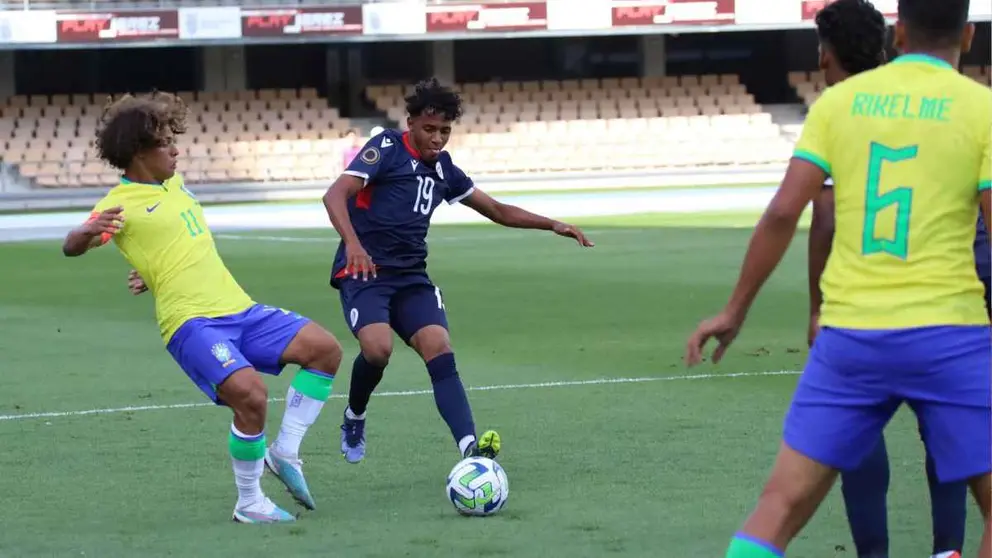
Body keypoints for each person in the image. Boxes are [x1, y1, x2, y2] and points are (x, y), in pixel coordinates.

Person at [685, 0, 992, 556]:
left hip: (851, 337)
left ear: (898, 32)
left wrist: (734, 310)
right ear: (968, 35)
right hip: (950, 333)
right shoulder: (982, 108)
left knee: (777, 509)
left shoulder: (838, 104)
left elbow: (784, 213)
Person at [62, 92, 343, 524]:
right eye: (165, 143)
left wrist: (150, 272)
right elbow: (72, 246)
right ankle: (249, 502)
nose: (176, 149)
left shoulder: (174, 184)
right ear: (138, 152)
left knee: (325, 350)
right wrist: (85, 233)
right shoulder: (119, 205)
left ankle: (285, 451)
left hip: (241, 311)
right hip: (192, 323)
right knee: (251, 396)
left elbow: (173, 245)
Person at [322, 78, 594, 464]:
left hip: (412, 278)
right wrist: (353, 243)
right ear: (411, 123)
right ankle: (355, 414)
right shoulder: (385, 148)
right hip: (365, 272)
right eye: (429, 129)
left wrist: (552, 224)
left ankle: (470, 448)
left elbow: (498, 211)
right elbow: (335, 194)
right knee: (378, 350)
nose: (437, 139)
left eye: (445, 131)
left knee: (439, 347)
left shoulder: (445, 170)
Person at [805, 1, 982, 556]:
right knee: (952, 427)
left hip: (877, 292)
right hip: (960, 276)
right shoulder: (954, 98)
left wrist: (815, 304)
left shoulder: (850, 107)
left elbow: (822, 213)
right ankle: (948, 547)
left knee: (852, 428)